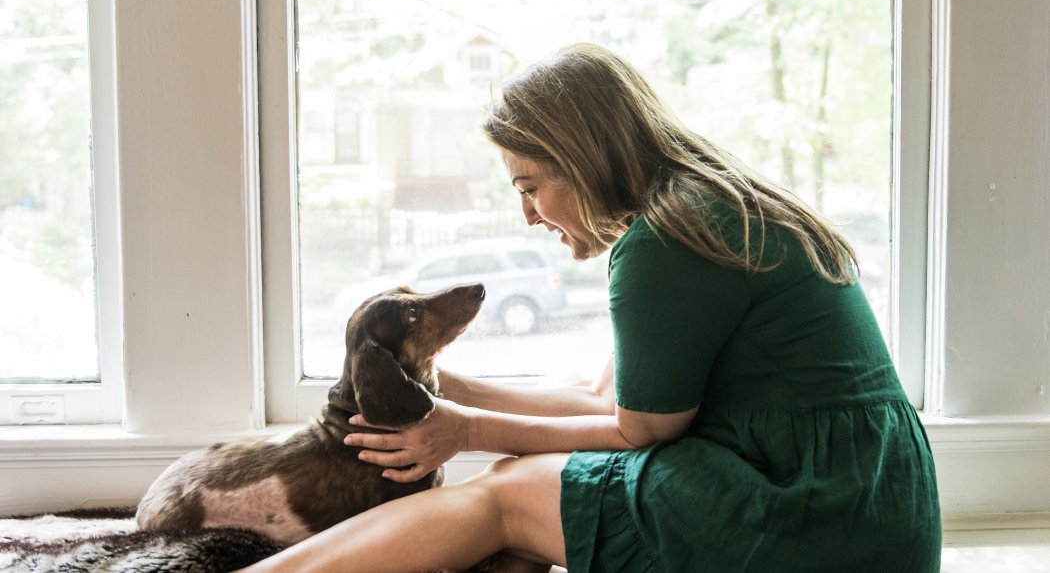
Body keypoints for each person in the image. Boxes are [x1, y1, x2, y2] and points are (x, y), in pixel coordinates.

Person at [242, 43, 941, 572]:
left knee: (507, 496)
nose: (527, 214)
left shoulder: (668, 241)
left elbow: (639, 433)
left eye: (530, 185)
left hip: (812, 509)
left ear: (580, 158)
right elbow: (601, 397)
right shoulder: (701, 206)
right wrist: (440, 393)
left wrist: (463, 432)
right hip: (868, 495)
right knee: (524, 481)